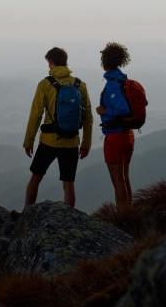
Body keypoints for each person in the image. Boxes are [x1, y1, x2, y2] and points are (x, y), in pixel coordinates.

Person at [22, 47, 93, 208]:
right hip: (72, 142)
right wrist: (86, 144)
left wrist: (28, 141)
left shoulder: (45, 84)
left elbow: (35, 115)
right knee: (68, 184)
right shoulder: (80, 85)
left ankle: (26, 216)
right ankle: (68, 220)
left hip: (49, 141)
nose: (49, 67)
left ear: (52, 62)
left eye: (49, 63)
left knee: (35, 178)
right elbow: (88, 117)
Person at [96, 42, 134, 213]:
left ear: (105, 61)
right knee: (124, 177)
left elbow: (122, 109)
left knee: (118, 180)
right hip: (128, 134)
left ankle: (123, 217)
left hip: (115, 136)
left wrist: (104, 110)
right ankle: (129, 212)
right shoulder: (124, 80)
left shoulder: (112, 84)